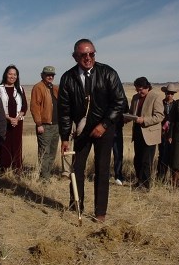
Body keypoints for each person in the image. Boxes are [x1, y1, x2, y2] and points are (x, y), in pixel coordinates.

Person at [58, 38, 128, 222]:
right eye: (83, 55)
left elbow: (120, 102)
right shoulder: (67, 78)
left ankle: (100, 213)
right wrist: (65, 138)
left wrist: (104, 125)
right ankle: (76, 206)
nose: (88, 58)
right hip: (81, 132)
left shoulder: (108, 73)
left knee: (102, 169)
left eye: (92, 54)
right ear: (75, 57)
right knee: (76, 168)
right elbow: (64, 111)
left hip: (105, 129)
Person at [128, 77, 164, 191]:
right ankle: (139, 181)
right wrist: (127, 117)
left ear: (147, 87)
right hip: (138, 132)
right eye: (137, 90)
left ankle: (146, 185)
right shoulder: (135, 98)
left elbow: (159, 116)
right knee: (137, 159)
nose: (139, 92)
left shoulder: (155, 97)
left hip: (150, 134)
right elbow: (131, 113)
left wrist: (144, 120)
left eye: (141, 90)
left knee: (146, 161)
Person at [0, 65, 28, 175]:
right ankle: (3, 171)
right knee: (4, 145)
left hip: (18, 123)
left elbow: (24, 106)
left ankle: (17, 170)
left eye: (15, 74)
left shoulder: (20, 89)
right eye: (10, 74)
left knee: (17, 146)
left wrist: (17, 118)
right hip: (4, 123)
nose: (12, 76)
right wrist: (9, 118)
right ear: (6, 74)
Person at [30, 66, 59, 181]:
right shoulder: (38, 87)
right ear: (42, 75)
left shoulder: (55, 88)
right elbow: (34, 107)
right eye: (48, 75)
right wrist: (39, 123)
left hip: (56, 125)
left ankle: (47, 174)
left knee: (52, 152)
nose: (50, 77)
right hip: (45, 125)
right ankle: (44, 178)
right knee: (44, 152)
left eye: (52, 75)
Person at [156, 83, 178, 182]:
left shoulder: (177, 105)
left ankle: (172, 178)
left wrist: (171, 134)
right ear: (165, 93)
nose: (170, 95)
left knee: (172, 155)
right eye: (168, 93)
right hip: (161, 133)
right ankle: (160, 176)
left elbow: (176, 120)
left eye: (172, 93)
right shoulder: (160, 103)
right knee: (161, 155)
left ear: (174, 94)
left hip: (173, 133)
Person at [111, 104, 129, 186]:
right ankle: (102, 174)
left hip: (117, 128)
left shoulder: (122, 96)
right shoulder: (103, 93)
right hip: (105, 128)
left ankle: (118, 176)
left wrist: (122, 120)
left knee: (118, 153)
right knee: (103, 153)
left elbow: (126, 111)